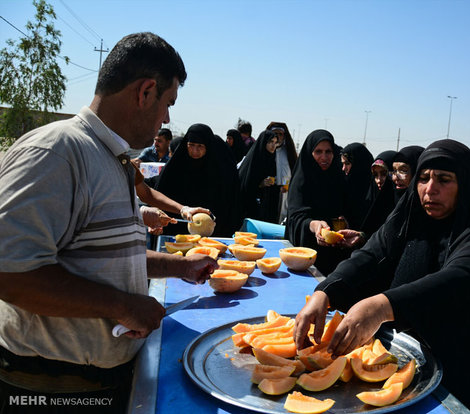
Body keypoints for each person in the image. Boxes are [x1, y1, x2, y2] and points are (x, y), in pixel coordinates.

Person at [0, 32, 217, 413]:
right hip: (53, 389)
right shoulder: (55, 152)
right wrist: (122, 305)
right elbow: (10, 273)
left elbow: (100, 259)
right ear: (145, 91)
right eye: (167, 103)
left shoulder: (113, 160)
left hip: (98, 383)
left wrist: (179, 266)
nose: (167, 118)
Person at [295, 140, 470, 414]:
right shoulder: (411, 215)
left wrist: (380, 307)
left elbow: (457, 280)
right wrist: (325, 291)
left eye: (444, 180)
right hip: (413, 362)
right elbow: (372, 253)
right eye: (423, 179)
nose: (429, 189)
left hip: (466, 376)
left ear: (466, 184)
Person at [156, 123, 242, 237]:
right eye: (191, 145)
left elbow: (229, 202)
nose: (195, 151)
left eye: (200, 146)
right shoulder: (176, 167)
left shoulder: (221, 170)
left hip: (213, 233)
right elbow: (160, 193)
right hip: (177, 232)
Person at [285, 129, 351, 275]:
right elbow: (295, 218)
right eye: (318, 151)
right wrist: (313, 225)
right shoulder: (301, 181)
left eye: (328, 151)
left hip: (334, 257)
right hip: (305, 256)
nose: (324, 157)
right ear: (310, 153)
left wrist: (344, 221)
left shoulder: (338, 178)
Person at [238, 130, 281, 223]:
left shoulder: (272, 159)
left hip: (265, 206)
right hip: (250, 207)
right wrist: (260, 184)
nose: (273, 146)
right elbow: (245, 184)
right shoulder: (254, 160)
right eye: (270, 142)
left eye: (275, 142)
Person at [359, 149, 399, 237]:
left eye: (384, 174)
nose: (378, 180)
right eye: (375, 175)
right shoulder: (372, 199)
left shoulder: (400, 205)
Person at [266, 121, 298, 224]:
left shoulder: (289, 152)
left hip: (285, 193)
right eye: (275, 133)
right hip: (269, 193)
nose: (278, 136)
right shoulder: (266, 152)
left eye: (280, 134)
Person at [340, 143, 374, 231]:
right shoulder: (344, 185)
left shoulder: (375, 188)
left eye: (347, 163)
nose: (343, 168)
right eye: (342, 164)